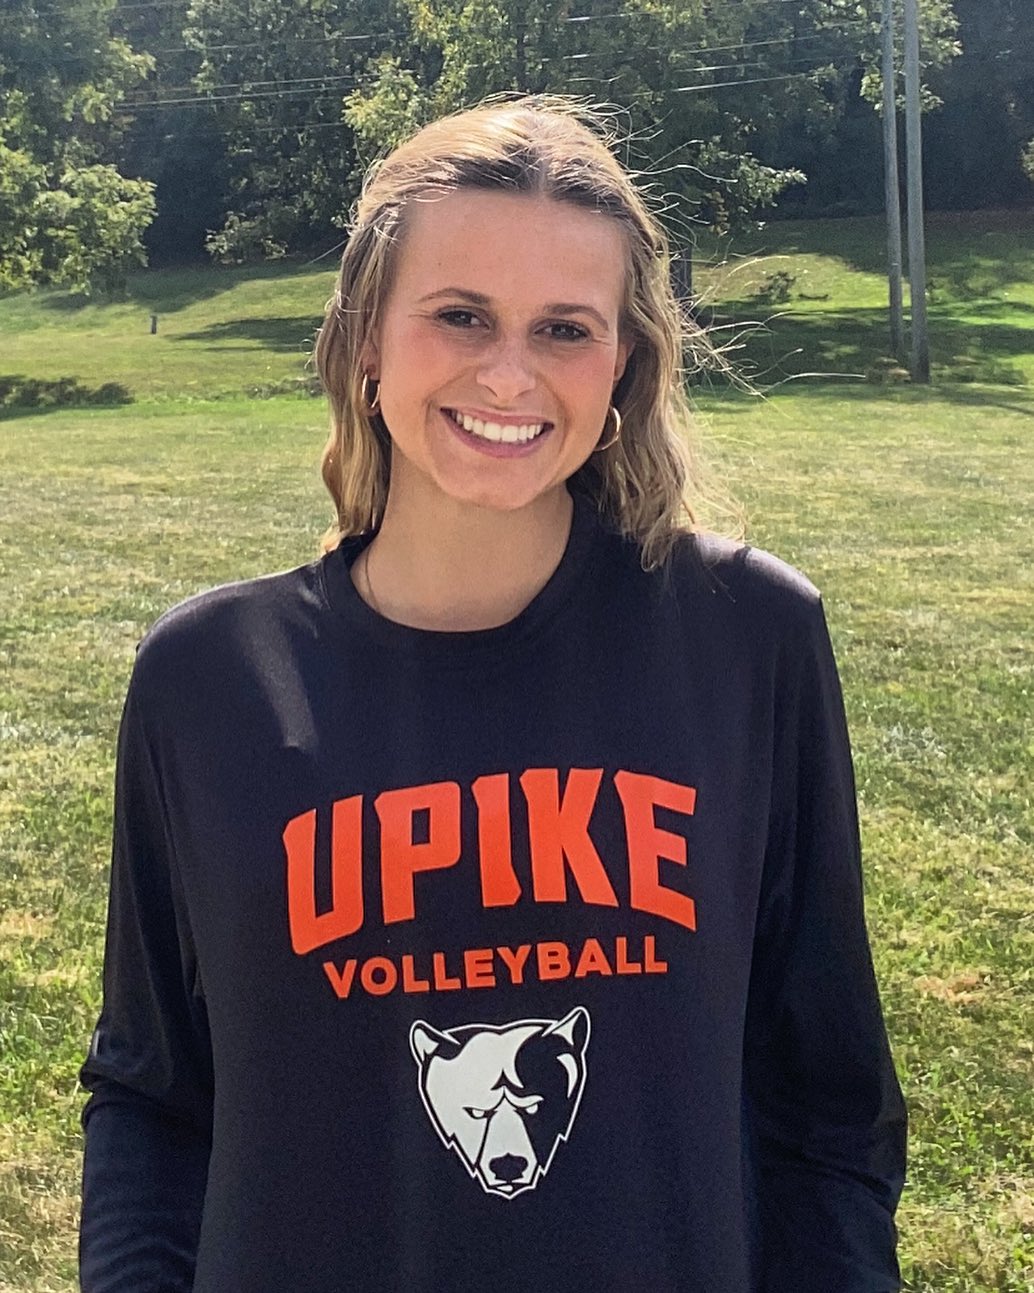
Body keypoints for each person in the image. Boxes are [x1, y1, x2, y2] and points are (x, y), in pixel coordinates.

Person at [79, 96, 906, 1292]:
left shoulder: (744, 637)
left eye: (564, 328)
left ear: (621, 362)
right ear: (365, 338)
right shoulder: (210, 679)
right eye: (460, 315)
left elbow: (827, 1104)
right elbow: (151, 1095)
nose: (509, 374)